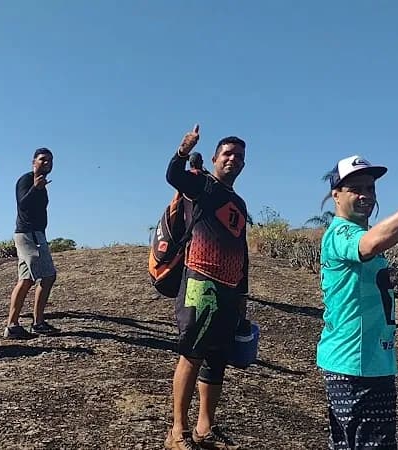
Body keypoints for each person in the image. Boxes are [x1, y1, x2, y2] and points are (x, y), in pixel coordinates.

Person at [317, 155, 398, 450]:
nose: (366, 195)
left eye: (370, 188)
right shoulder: (340, 233)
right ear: (336, 195)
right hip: (354, 365)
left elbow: (380, 237)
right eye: (356, 189)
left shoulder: (360, 233)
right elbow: (370, 244)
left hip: (372, 362)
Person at [164, 124, 248, 450]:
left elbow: (241, 249)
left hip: (229, 288)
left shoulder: (239, 202)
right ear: (215, 158)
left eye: (238, 156)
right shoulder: (201, 184)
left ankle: (204, 428)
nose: (233, 159)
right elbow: (173, 175)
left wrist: (242, 294)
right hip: (200, 280)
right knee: (192, 353)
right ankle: (178, 431)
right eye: (227, 154)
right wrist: (183, 150)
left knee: (217, 358)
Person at [3, 148, 59, 339]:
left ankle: (13, 325)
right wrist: (35, 188)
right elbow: (23, 205)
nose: (47, 163)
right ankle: (37, 323)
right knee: (48, 276)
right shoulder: (26, 180)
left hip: (34, 234)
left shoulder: (41, 184)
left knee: (26, 280)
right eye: (42, 159)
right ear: (33, 162)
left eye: (50, 160)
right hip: (29, 235)